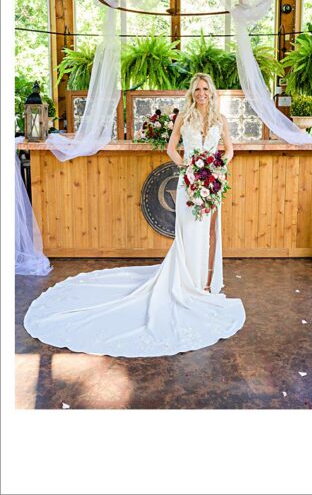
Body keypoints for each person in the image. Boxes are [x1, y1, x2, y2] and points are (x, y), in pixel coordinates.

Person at [23, 73, 245, 357]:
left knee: (205, 234)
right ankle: (185, 283)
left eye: (205, 89)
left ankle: (202, 283)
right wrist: (188, 167)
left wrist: (215, 167)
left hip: (210, 181)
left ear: (211, 93)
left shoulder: (220, 120)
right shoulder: (183, 118)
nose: (201, 93)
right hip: (188, 183)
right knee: (188, 232)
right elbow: (170, 148)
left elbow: (229, 151)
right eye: (197, 89)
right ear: (192, 92)